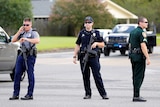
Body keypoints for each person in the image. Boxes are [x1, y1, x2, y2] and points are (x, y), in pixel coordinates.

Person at [73, 16, 109, 100]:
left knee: (97, 75)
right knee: (85, 75)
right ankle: (88, 93)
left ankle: (103, 93)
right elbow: (78, 44)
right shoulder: (82, 33)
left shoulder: (96, 33)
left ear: (92, 23)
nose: (87, 24)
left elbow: (103, 44)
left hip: (93, 57)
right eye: (86, 23)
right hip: (83, 56)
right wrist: (74, 56)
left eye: (89, 22)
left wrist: (96, 43)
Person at [9, 18, 40, 100]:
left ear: (31, 25)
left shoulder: (33, 32)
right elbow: (13, 40)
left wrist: (26, 39)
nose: (25, 26)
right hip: (22, 54)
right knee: (17, 73)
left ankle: (30, 94)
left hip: (30, 55)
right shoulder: (22, 33)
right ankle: (15, 94)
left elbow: (37, 40)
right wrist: (19, 31)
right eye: (24, 25)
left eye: (27, 25)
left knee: (30, 74)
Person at [129, 16, 151, 102]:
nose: (147, 24)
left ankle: (136, 93)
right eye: (145, 22)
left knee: (135, 75)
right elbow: (143, 45)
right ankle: (136, 95)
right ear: (140, 23)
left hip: (133, 56)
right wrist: (148, 57)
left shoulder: (133, 32)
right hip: (139, 56)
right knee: (139, 76)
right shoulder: (141, 32)